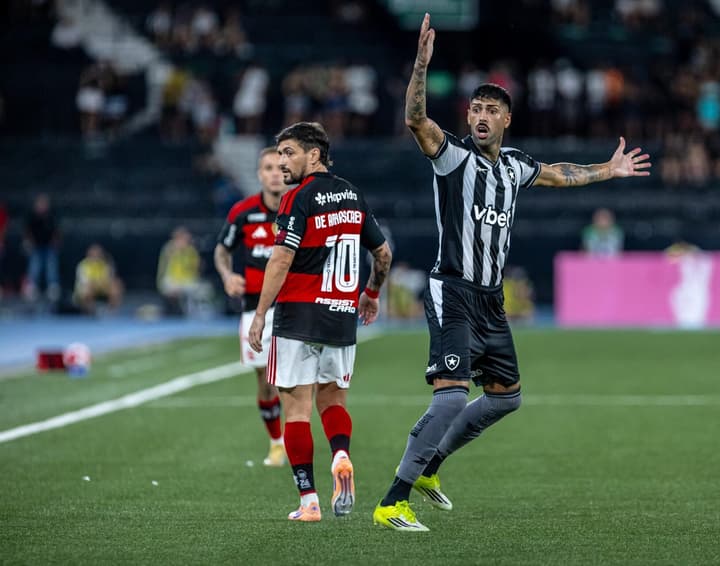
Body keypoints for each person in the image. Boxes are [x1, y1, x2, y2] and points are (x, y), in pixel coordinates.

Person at [373, 13, 652, 532]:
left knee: (507, 398)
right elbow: (416, 120)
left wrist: (607, 170)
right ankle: (393, 500)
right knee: (453, 394)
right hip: (452, 289)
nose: (480, 115)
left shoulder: (515, 166)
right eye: (475, 108)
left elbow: (558, 174)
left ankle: (432, 467)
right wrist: (419, 67)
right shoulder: (451, 156)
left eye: (491, 109)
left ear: (505, 120)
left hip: (491, 299)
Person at [248, 122, 392, 522]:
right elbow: (383, 256)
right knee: (333, 400)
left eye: (289, 153)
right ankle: (341, 454)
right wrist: (371, 294)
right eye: (278, 156)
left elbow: (280, 259)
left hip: (297, 316)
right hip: (342, 319)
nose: (281, 164)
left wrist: (260, 314)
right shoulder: (353, 195)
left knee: (296, 409)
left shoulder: (296, 198)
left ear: (314, 154)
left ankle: (309, 500)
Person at [214, 148, 293, 467]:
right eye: (267, 167)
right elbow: (222, 249)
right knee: (265, 379)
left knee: (293, 380)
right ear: (259, 174)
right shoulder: (243, 212)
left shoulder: (298, 209)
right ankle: (277, 443)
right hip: (253, 308)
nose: (274, 173)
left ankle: (295, 439)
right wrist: (226, 274)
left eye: (279, 167)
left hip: (292, 306)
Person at [24, 193, 61, 302]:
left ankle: (53, 288)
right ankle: (31, 287)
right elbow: (27, 231)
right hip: (36, 246)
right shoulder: (32, 216)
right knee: (34, 267)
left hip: (49, 246)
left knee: (51, 267)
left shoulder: (51, 216)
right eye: (40, 204)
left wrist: (56, 242)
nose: (42, 206)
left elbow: (57, 231)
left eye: (44, 204)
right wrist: (28, 242)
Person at [157, 226, 202, 315]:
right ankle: (174, 311)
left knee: (199, 289)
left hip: (187, 281)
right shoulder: (168, 249)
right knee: (170, 286)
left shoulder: (191, 251)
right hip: (172, 281)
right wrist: (177, 251)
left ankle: (193, 313)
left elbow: (196, 269)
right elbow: (165, 271)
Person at [73, 243, 124, 314]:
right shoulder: (83, 265)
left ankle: (111, 312)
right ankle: (90, 311)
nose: (96, 255)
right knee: (89, 288)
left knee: (116, 285)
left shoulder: (104, 265)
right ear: (89, 254)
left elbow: (109, 280)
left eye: (98, 253)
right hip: (85, 291)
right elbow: (85, 283)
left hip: (100, 288)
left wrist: (102, 284)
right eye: (94, 253)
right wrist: (98, 283)